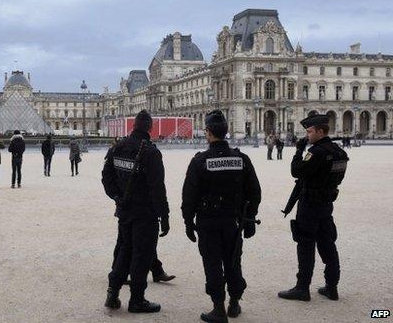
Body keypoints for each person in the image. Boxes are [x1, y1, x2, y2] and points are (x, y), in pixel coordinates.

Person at [181, 110, 261, 322]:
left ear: (208, 133)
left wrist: (188, 222)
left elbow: (189, 196)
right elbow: (255, 191)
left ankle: (218, 307)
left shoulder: (200, 161)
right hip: (233, 221)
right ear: (226, 132)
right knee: (233, 261)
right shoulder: (241, 159)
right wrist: (250, 218)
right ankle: (234, 303)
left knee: (213, 264)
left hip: (208, 221)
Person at [102, 109, 170, 313]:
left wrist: (116, 197)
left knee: (124, 251)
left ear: (133, 126)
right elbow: (158, 188)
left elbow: (107, 178)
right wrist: (164, 215)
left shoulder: (117, 147)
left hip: (124, 210)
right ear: (150, 127)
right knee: (142, 255)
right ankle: (137, 300)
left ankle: (112, 294)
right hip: (145, 213)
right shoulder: (151, 152)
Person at [278, 114, 349, 302]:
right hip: (326, 204)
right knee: (328, 246)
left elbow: (296, 170)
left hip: (310, 205)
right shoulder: (339, 152)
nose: (307, 135)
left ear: (320, 131)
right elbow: (338, 178)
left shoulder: (316, 152)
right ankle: (332, 287)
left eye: (309, 131)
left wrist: (298, 151)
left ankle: (302, 288)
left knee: (305, 245)